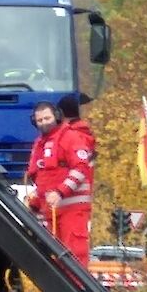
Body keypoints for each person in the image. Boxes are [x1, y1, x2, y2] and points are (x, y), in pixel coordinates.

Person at [26, 101, 93, 266]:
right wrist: (36, 201)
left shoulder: (70, 137)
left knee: (74, 256)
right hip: (51, 211)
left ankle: (78, 291)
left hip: (72, 209)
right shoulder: (39, 144)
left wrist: (60, 191)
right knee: (56, 260)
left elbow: (80, 168)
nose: (44, 123)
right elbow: (41, 176)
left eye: (47, 118)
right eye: (40, 120)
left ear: (56, 116)